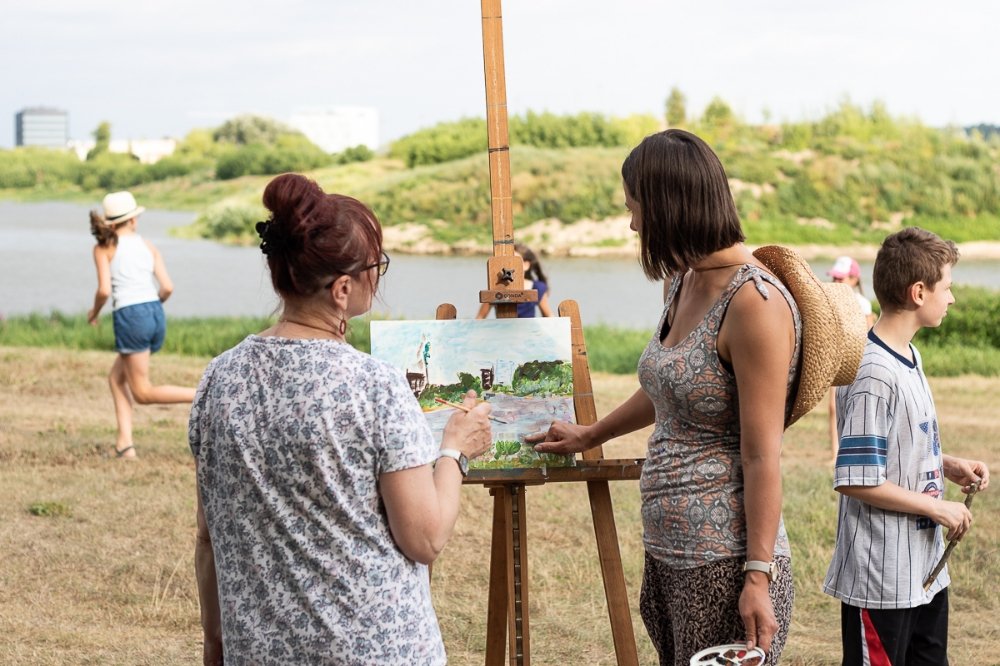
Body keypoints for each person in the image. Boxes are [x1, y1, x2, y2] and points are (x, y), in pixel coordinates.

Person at [190, 173, 493, 665]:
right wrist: (454, 450)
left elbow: (209, 534)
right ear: (343, 288)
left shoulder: (218, 380)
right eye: (377, 265)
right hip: (373, 649)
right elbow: (425, 537)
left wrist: (215, 643)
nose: (380, 276)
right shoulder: (375, 386)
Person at [528, 129, 805, 665]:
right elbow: (670, 389)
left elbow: (762, 454)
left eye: (635, 208)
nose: (633, 224)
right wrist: (592, 433)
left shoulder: (755, 303)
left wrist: (757, 575)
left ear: (667, 206)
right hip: (669, 554)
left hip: (724, 564)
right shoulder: (682, 280)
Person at [823, 227, 990, 665]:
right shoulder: (872, 373)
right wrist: (937, 508)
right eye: (947, 288)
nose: (951, 298)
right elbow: (856, 480)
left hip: (924, 571)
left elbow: (898, 447)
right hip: (882, 580)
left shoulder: (910, 356)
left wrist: (946, 463)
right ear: (919, 292)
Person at [86, 191, 196, 459]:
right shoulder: (148, 246)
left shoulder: (103, 249)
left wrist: (94, 312)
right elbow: (168, 287)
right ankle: (125, 445)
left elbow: (103, 291)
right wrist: (152, 307)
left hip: (130, 314)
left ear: (110, 224)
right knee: (116, 378)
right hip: (154, 311)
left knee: (143, 392)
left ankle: (203, 394)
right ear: (133, 220)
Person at [826, 255, 876, 461]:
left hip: (855, 359)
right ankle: (835, 451)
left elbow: (869, 331)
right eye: (835, 278)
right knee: (832, 406)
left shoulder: (863, 304)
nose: (837, 282)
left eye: (841, 278)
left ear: (854, 279)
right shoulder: (828, 300)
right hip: (835, 358)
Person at [475, 242, 553, 318]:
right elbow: (480, 317)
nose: (509, 266)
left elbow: (549, 316)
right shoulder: (496, 288)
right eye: (507, 261)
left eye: (514, 262)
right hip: (502, 329)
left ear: (526, 265)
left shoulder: (537, 287)